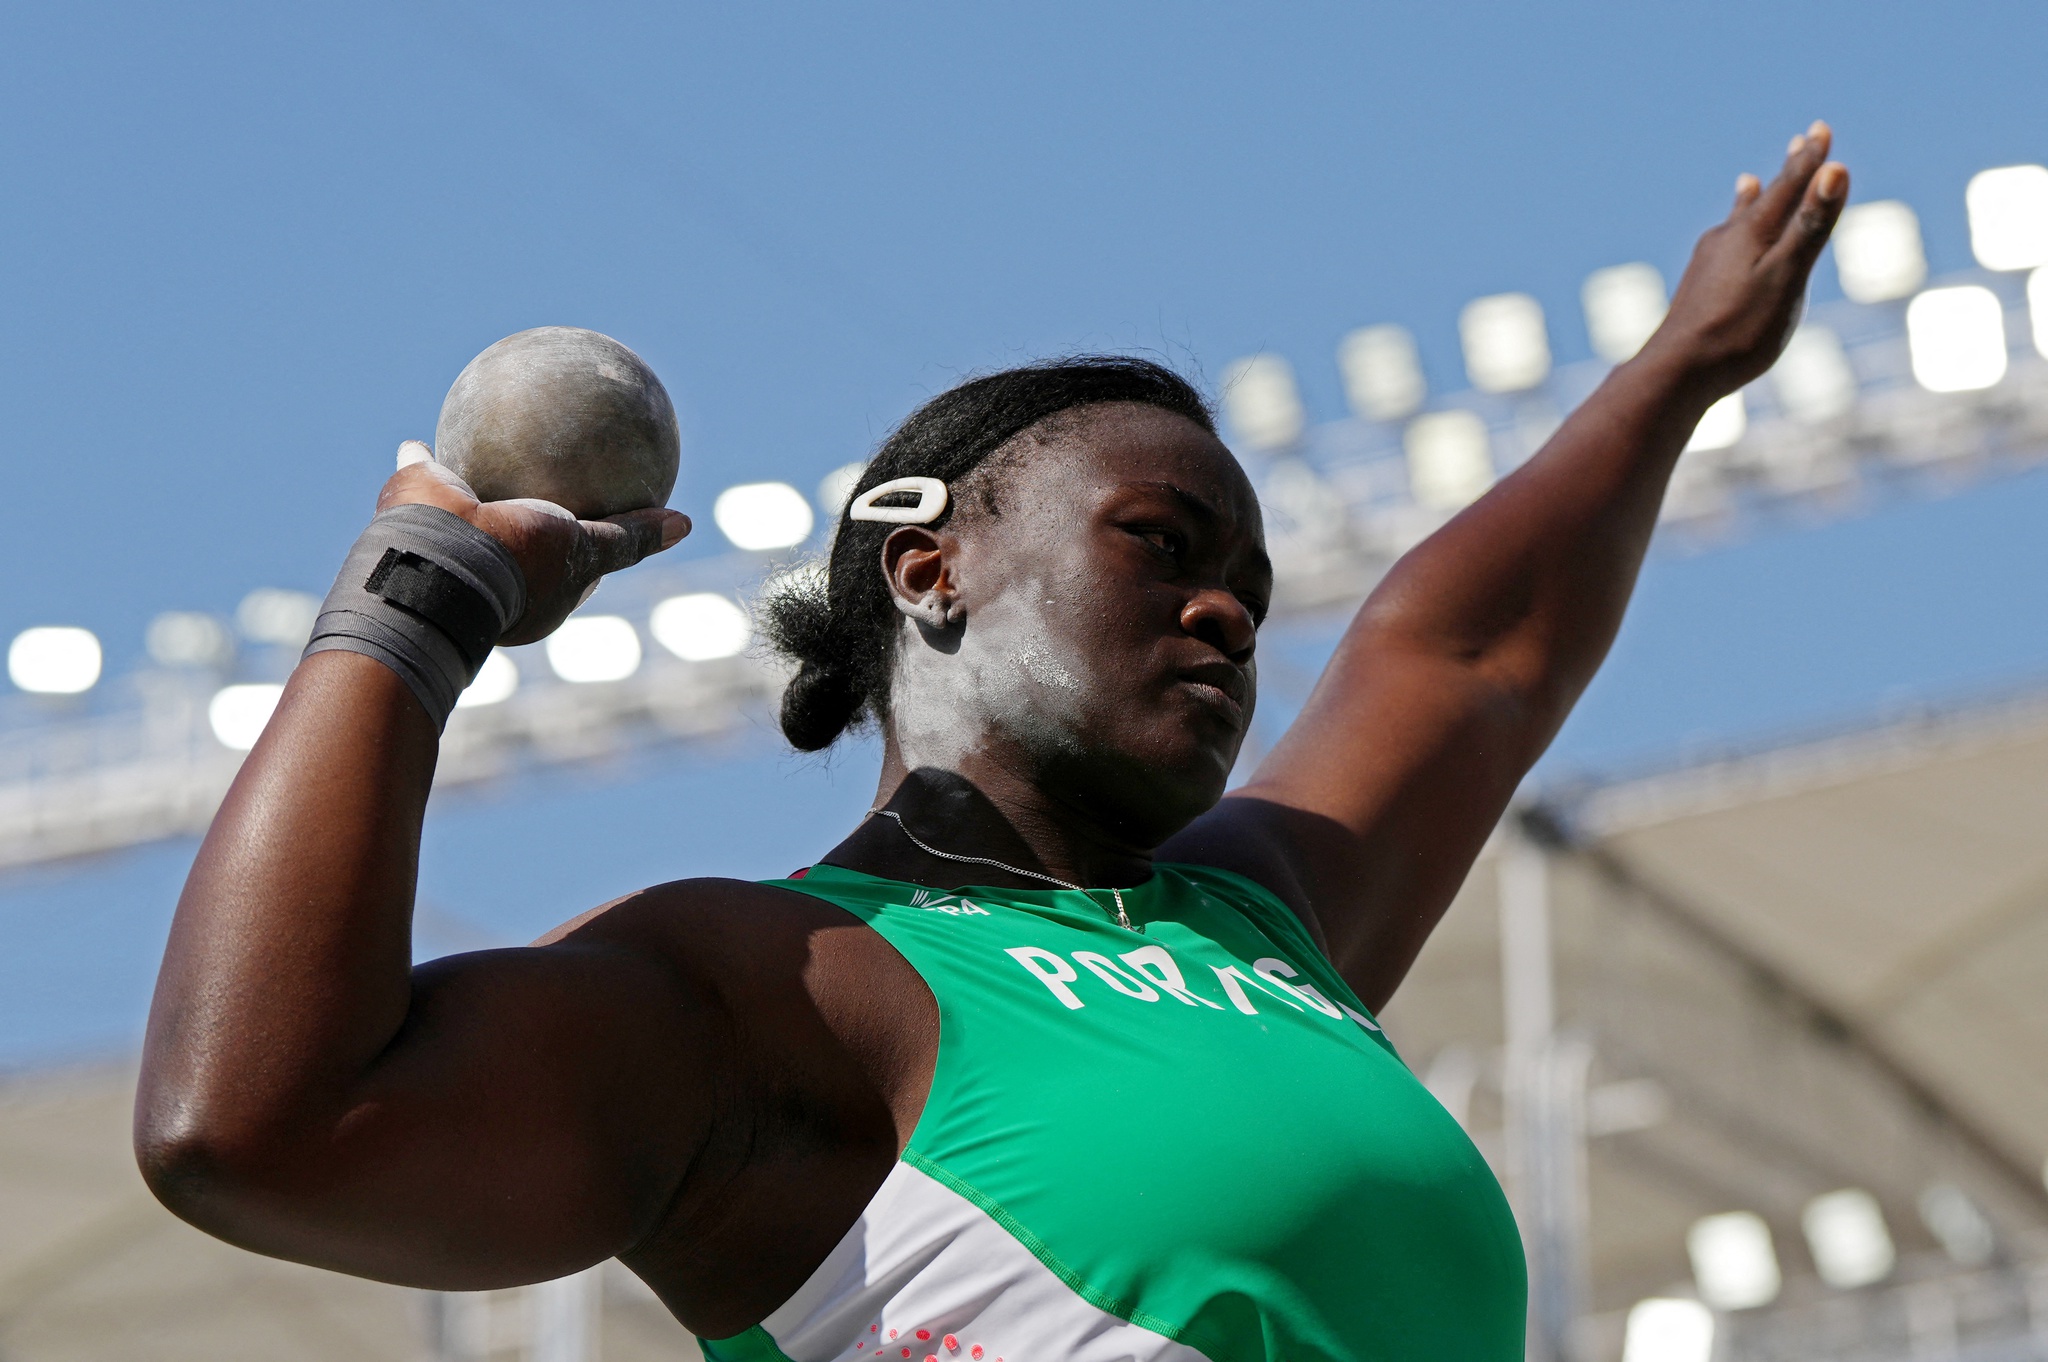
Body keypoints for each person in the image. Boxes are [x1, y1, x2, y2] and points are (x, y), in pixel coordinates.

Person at [136, 128, 1848, 1361]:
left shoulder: (1255, 923)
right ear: (929, 566)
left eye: (1252, 586)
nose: (1232, 615)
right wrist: (416, 602)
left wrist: (1680, 374)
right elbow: (256, 1122)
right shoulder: (771, 983)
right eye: (1162, 548)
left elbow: (1466, 652)